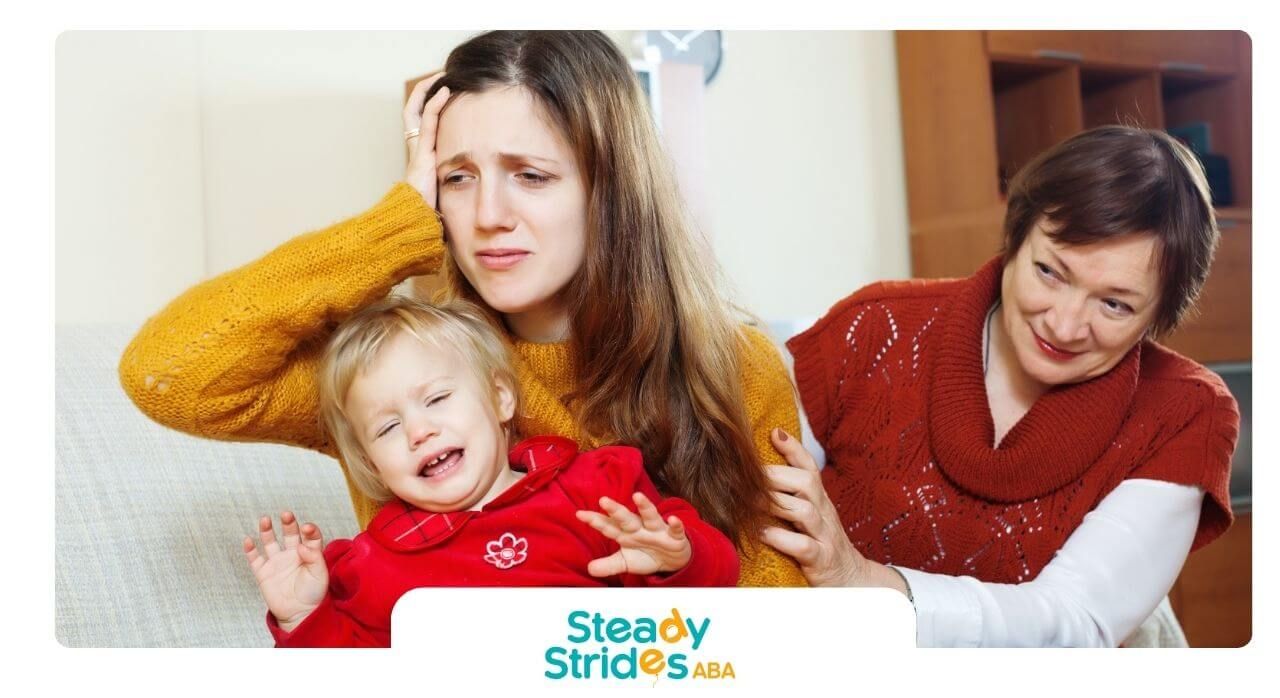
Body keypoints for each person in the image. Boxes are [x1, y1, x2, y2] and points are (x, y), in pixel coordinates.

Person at [118, 30, 804, 587]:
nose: (487, 216)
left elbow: (782, 620)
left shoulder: (736, 367)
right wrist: (397, 225)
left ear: (611, 192)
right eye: (458, 178)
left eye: (530, 176)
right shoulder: (399, 375)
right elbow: (167, 373)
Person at [763, 125, 1240, 646]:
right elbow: (749, 506)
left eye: (1115, 305)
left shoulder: (1187, 412)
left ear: (1160, 315)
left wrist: (864, 582)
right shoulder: (874, 327)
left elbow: (1075, 620)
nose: (1063, 324)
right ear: (1017, 235)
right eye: (1050, 272)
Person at [244, 297, 738, 647]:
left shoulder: (595, 490)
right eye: (388, 428)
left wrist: (677, 560)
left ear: (501, 397)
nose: (419, 431)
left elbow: (706, 612)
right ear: (372, 463)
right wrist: (305, 616)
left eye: (437, 398)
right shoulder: (371, 567)